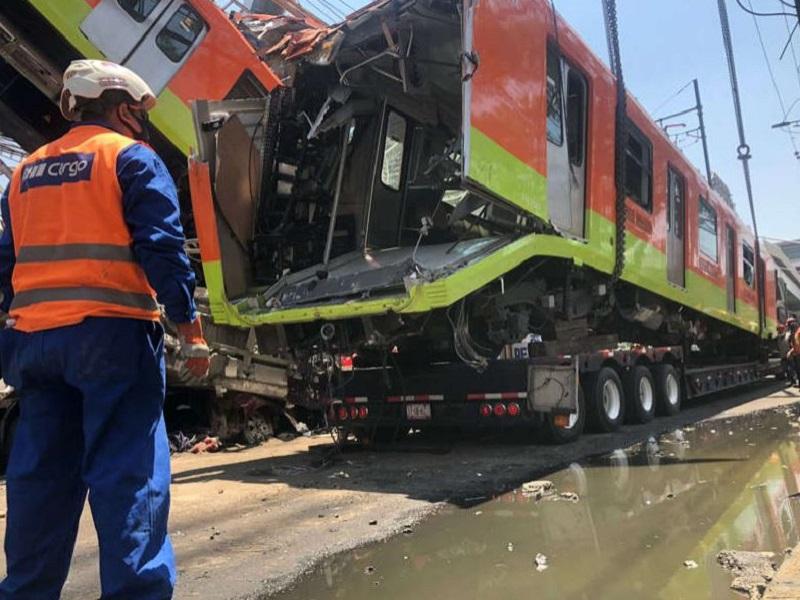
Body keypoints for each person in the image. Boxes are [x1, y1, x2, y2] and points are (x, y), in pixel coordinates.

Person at [0, 60, 210, 599]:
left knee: (40, 483)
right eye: (140, 115)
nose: (143, 125)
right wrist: (190, 329)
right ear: (122, 109)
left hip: (35, 346)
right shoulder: (130, 158)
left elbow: (7, 266)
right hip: (113, 340)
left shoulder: (25, 173)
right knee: (128, 476)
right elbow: (162, 250)